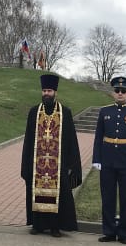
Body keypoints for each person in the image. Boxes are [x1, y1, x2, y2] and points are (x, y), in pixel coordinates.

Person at [21, 74, 82, 237]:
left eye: (49, 91)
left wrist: (72, 164)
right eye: (44, 90)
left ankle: (56, 226)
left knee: (59, 194)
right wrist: (25, 165)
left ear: (55, 92)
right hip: (37, 164)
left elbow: (71, 141)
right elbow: (28, 140)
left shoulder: (65, 113)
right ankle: (38, 225)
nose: (46, 93)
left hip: (58, 164)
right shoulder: (34, 112)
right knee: (36, 191)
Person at [92, 76, 126, 245]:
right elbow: (98, 137)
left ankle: (123, 233)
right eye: (117, 91)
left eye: (123, 91)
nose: (120, 93)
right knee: (107, 196)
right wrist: (96, 158)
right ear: (113, 93)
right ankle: (108, 231)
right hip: (107, 159)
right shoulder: (104, 111)